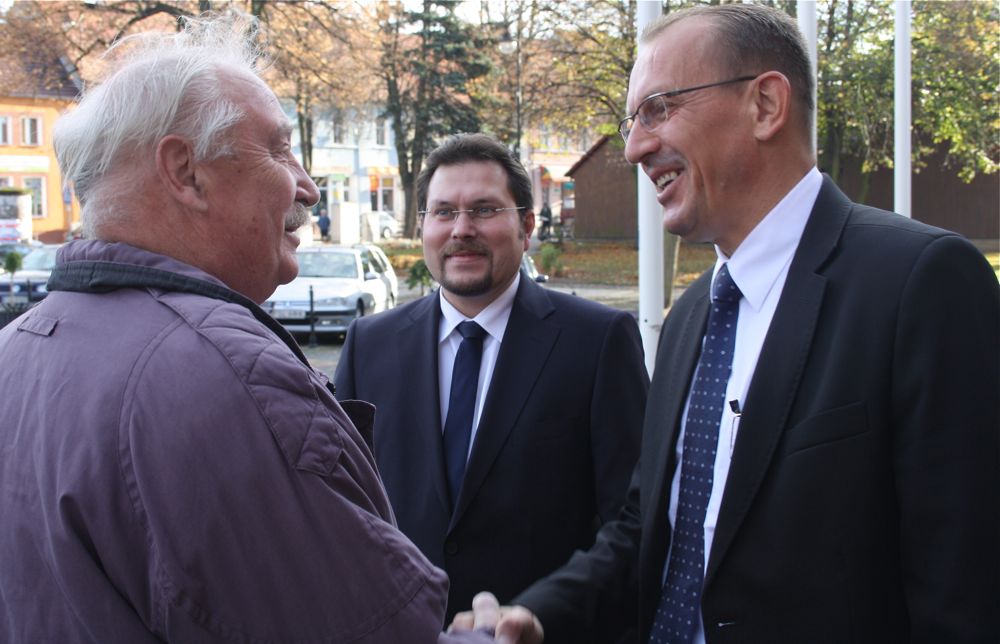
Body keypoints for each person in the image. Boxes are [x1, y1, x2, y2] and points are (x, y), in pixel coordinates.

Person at [453, 4, 999, 643]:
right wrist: (541, 613)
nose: (634, 147)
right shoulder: (691, 320)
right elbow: (653, 526)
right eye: (633, 120)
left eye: (658, 108)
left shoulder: (920, 284)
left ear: (765, 105)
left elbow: (964, 587)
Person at [0, 13, 509, 643]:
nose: (308, 187)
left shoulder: (14, 353)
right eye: (277, 148)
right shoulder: (225, 377)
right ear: (185, 172)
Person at [334, 133, 648, 625]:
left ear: (525, 225)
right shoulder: (369, 346)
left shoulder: (598, 341)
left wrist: (539, 613)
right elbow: (343, 512)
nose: (461, 229)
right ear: (423, 228)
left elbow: (634, 520)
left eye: (483, 210)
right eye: (443, 212)